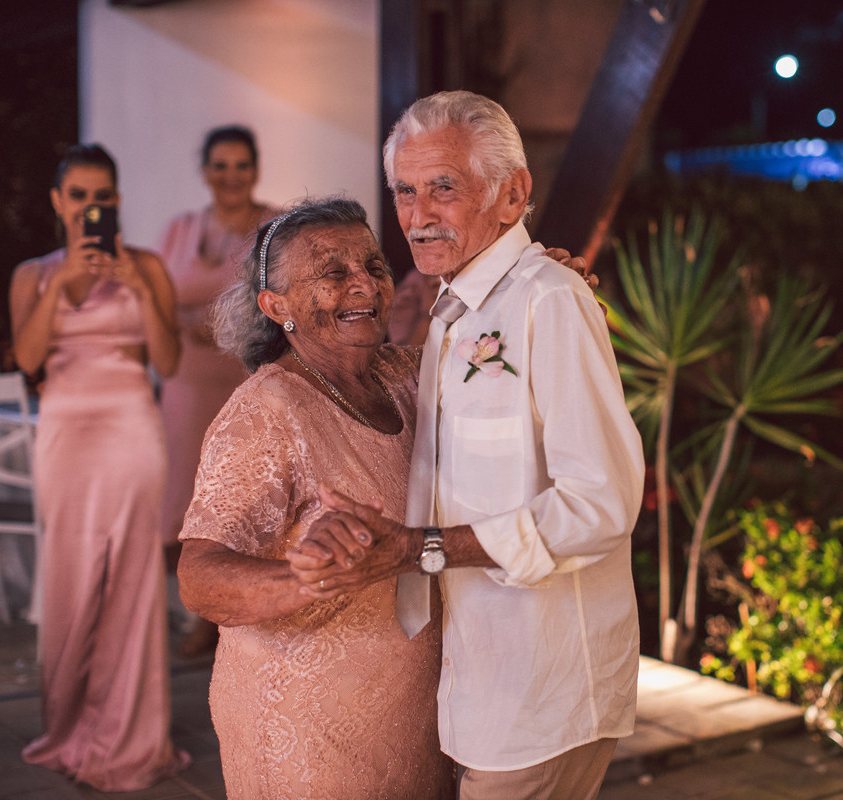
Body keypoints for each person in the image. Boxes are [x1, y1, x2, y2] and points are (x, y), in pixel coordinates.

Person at [297, 90, 645, 800]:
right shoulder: (454, 309)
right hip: (481, 680)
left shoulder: (550, 299)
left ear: (511, 195)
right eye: (405, 191)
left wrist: (422, 548)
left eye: (444, 188)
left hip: (544, 689)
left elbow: (601, 503)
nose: (418, 215)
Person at [175, 198, 454, 798]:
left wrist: (550, 294)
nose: (365, 285)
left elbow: (505, 364)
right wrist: (310, 578)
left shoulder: (404, 375)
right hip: (306, 725)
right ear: (276, 307)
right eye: (333, 272)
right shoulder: (266, 411)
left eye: (374, 265)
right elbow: (198, 577)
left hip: (410, 707)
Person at [8, 143, 189, 790]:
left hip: (131, 429)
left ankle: (129, 736)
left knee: (132, 576)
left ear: (117, 201)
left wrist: (137, 287)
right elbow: (28, 360)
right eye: (79, 196)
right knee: (71, 574)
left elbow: (167, 362)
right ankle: (68, 726)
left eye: (102, 196)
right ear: (59, 203)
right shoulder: (32, 275)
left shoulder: (147, 265)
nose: (91, 206)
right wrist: (61, 281)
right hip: (65, 434)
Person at [157, 124, 279, 656]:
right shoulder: (179, 229)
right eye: (220, 165)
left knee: (240, 497)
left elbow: (283, 293)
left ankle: (234, 619)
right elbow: (154, 296)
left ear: (256, 169)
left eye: (241, 165)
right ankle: (200, 608)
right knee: (182, 502)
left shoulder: (276, 226)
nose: (231, 176)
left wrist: (228, 324)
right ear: (205, 171)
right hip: (185, 386)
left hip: (248, 378)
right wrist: (187, 322)